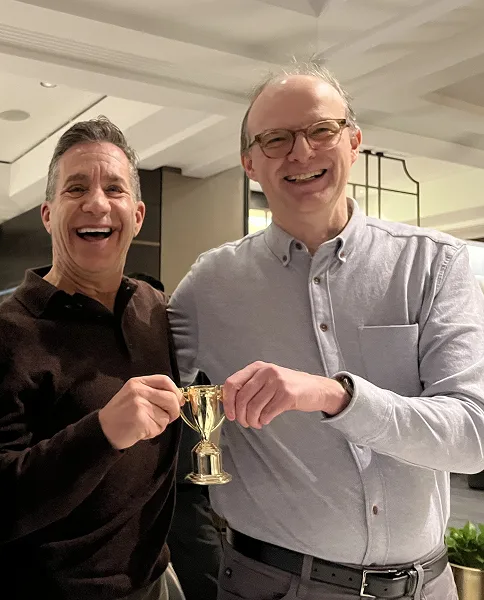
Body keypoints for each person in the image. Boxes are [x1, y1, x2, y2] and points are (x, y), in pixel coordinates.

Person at [168, 61, 484, 600]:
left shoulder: (439, 265)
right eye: (276, 139)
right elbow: (141, 372)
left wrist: (334, 396)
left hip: (425, 587)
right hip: (268, 583)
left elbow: (472, 437)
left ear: (354, 140)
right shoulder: (210, 285)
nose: (301, 152)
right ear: (249, 163)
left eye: (321, 130)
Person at [0, 117, 186, 600]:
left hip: (156, 580)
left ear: (136, 215)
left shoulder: (155, 310)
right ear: (49, 214)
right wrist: (103, 432)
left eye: (113, 189)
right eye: (76, 188)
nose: (96, 203)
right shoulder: (4, 334)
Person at [128, 272, 223, 600]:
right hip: (130, 500)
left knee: (206, 582)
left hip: (185, 496)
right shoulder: (118, 364)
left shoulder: (193, 364)